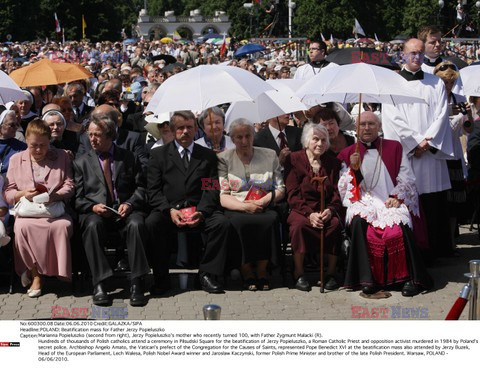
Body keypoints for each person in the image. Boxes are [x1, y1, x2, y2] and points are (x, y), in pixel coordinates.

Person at [337, 112, 433, 296]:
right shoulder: (348, 153)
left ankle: (410, 279)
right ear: (356, 128)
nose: (366, 128)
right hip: (364, 200)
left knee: (400, 223)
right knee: (358, 222)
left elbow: (407, 177)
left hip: (390, 199)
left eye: (371, 124)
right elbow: (344, 188)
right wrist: (353, 169)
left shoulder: (394, 147)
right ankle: (366, 279)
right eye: (362, 124)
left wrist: (398, 197)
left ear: (379, 127)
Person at [382, 38, 454, 259]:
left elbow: (442, 114)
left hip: (431, 155)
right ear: (402, 54)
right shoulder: (391, 85)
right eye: (412, 53)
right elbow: (392, 119)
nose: (417, 57)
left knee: (433, 204)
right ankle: (413, 253)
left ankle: (436, 251)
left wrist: (428, 142)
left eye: (420, 53)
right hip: (408, 155)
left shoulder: (436, 83)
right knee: (409, 201)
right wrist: (415, 143)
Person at [145, 110, 230, 295]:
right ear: (173, 129)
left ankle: (206, 275)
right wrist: (169, 210)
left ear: (195, 129)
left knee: (221, 223)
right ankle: (161, 278)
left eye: (189, 127)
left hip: (198, 209)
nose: (185, 131)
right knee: (152, 223)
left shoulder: (207, 155)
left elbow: (211, 187)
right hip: (169, 210)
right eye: (181, 128)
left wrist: (202, 211)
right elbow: (153, 190)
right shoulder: (158, 155)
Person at [73, 113, 150, 307]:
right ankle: (100, 283)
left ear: (110, 136)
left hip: (125, 211)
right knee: (91, 226)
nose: (92, 139)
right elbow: (77, 197)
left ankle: (136, 282)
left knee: (137, 224)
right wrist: (93, 206)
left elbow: (142, 187)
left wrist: (131, 203)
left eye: (97, 135)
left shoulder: (128, 157)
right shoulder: (81, 162)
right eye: (90, 134)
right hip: (96, 212)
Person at [4, 119, 74, 298]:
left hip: (53, 210)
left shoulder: (61, 156)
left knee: (62, 227)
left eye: (43, 145)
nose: (38, 150)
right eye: (33, 145)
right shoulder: (15, 160)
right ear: (26, 141)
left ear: (49, 141)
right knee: (21, 228)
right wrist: (23, 194)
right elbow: (8, 192)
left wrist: (54, 196)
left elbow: (69, 185)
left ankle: (53, 271)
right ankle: (36, 275)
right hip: (28, 211)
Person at [218, 118, 285, 291]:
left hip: (265, 203)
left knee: (270, 220)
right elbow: (224, 195)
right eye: (239, 137)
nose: (244, 141)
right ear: (232, 140)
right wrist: (244, 207)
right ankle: (246, 271)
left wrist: (262, 201)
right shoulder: (223, 158)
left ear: (253, 136)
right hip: (237, 205)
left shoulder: (270, 155)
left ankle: (262, 271)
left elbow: (280, 189)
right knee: (238, 222)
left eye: (248, 136)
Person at [284, 124, 342, 291]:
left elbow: (338, 192)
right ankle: (299, 272)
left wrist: (330, 210)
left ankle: (330, 274)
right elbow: (292, 193)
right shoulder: (293, 159)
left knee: (335, 225)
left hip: (326, 209)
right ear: (306, 141)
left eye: (324, 140)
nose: (320, 143)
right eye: (315, 139)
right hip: (301, 209)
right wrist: (309, 214)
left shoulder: (334, 162)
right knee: (299, 226)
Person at [434, 61, 473, 253]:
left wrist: (468, 115)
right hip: (438, 153)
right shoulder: (434, 98)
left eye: (451, 82)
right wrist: (450, 112)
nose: (448, 85)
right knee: (441, 200)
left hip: (455, 151)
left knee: (454, 200)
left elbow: (469, 128)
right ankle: (441, 241)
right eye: (445, 81)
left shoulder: (459, 98)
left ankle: (450, 241)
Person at [0, 110, 27, 177]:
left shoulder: (22, 147)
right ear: (1, 125)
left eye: (17, 124)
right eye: (12, 125)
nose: (16, 128)